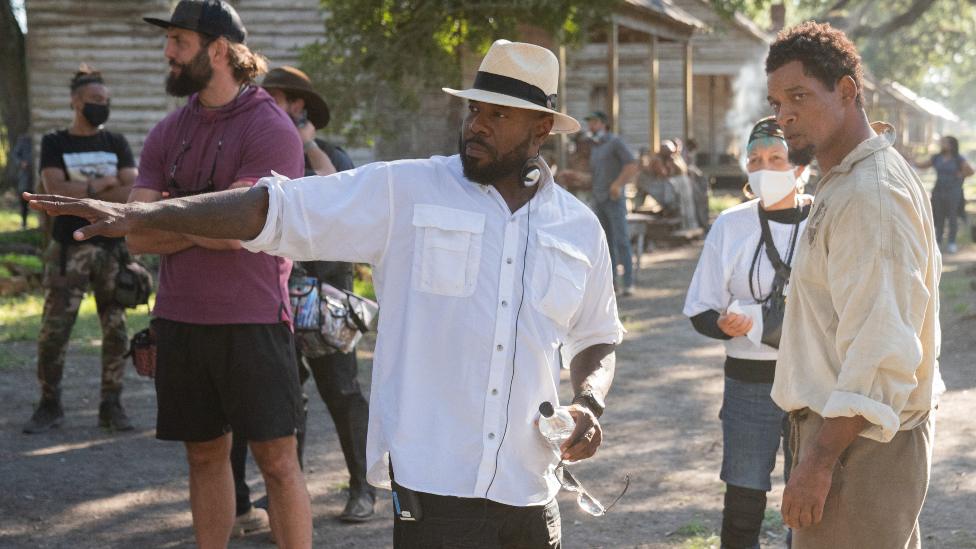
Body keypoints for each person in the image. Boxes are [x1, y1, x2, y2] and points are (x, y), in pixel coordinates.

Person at [27, 39, 624, 549]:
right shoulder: (408, 191)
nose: (476, 126)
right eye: (475, 111)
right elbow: (278, 206)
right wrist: (143, 215)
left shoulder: (578, 228)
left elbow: (598, 335)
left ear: (542, 128)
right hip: (437, 483)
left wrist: (590, 406)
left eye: (498, 116)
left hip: (532, 486)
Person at [131, 2, 310, 547]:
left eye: (179, 41)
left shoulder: (270, 127)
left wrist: (174, 212)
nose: (167, 52)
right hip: (180, 318)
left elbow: (243, 227)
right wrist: (205, 219)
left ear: (217, 50)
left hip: (253, 320)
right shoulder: (169, 129)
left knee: (278, 462)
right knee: (204, 455)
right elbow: (137, 232)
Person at [765, 22, 944, 548]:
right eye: (776, 102)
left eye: (798, 96)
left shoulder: (872, 196)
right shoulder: (846, 179)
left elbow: (881, 343)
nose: (784, 115)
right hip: (848, 438)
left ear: (847, 91)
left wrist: (818, 462)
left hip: (856, 446)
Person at [225, 65, 374, 533]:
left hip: (328, 298)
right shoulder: (258, 153)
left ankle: (363, 487)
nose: (272, 105)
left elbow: (345, 203)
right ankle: (289, 498)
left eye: (282, 99)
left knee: (343, 394)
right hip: (275, 298)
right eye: (266, 96)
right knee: (287, 402)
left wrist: (306, 144)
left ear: (301, 106)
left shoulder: (330, 154)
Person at [684, 116, 810, 549]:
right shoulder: (731, 225)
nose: (764, 168)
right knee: (743, 503)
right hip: (748, 383)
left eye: (777, 158)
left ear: (800, 165)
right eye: (755, 159)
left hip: (813, 384)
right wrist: (722, 325)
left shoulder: (827, 219)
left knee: (809, 507)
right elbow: (700, 309)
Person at [21, 66, 136, 435]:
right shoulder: (56, 142)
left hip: (113, 250)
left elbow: (130, 193)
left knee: (117, 331)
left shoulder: (116, 142)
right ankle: (49, 404)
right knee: (54, 331)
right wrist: (103, 183)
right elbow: (52, 190)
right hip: (68, 251)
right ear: (76, 102)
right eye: (94, 100)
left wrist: (80, 189)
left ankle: (111, 405)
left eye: (106, 101)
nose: (102, 106)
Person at [584, 110, 639, 296]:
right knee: (605, 244)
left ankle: (629, 283)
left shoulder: (615, 142)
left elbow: (632, 165)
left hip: (614, 199)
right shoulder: (596, 147)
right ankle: (612, 284)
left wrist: (618, 184)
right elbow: (595, 176)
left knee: (622, 241)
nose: (591, 126)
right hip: (598, 199)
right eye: (590, 123)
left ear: (603, 124)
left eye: (594, 122)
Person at [915, 135, 973, 254]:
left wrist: (961, 174)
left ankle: (952, 242)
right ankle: (938, 241)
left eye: (945, 143)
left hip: (953, 191)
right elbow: (923, 165)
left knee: (952, 217)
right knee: (938, 216)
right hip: (938, 190)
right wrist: (910, 162)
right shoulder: (937, 157)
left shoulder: (958, 159)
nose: (942, 145)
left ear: (951, 145)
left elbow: (971, 171)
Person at [12, 134, 34, 228]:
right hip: (26, 175)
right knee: (24, 198)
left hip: (38, 175)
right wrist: (21, 163)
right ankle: (24, 223)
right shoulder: (24, 140)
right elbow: (15, 155)